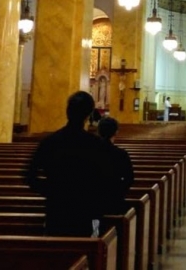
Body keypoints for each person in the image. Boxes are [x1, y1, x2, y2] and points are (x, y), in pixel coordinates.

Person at [25, 91, 106, 237]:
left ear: (67, 111)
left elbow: (30, 176)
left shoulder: (50, 142)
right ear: (89, 114)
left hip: (56, 209)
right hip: (86, 211)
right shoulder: (96, 144)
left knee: (55, 254)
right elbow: (105, 179)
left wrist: (51, 190)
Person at [97, 117, 135, 215]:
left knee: (95, 228)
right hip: (115, 202)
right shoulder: (121, 154)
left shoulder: (91, 152)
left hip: (94, 203)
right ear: (116, 132)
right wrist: (118, 192)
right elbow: (129, 178)